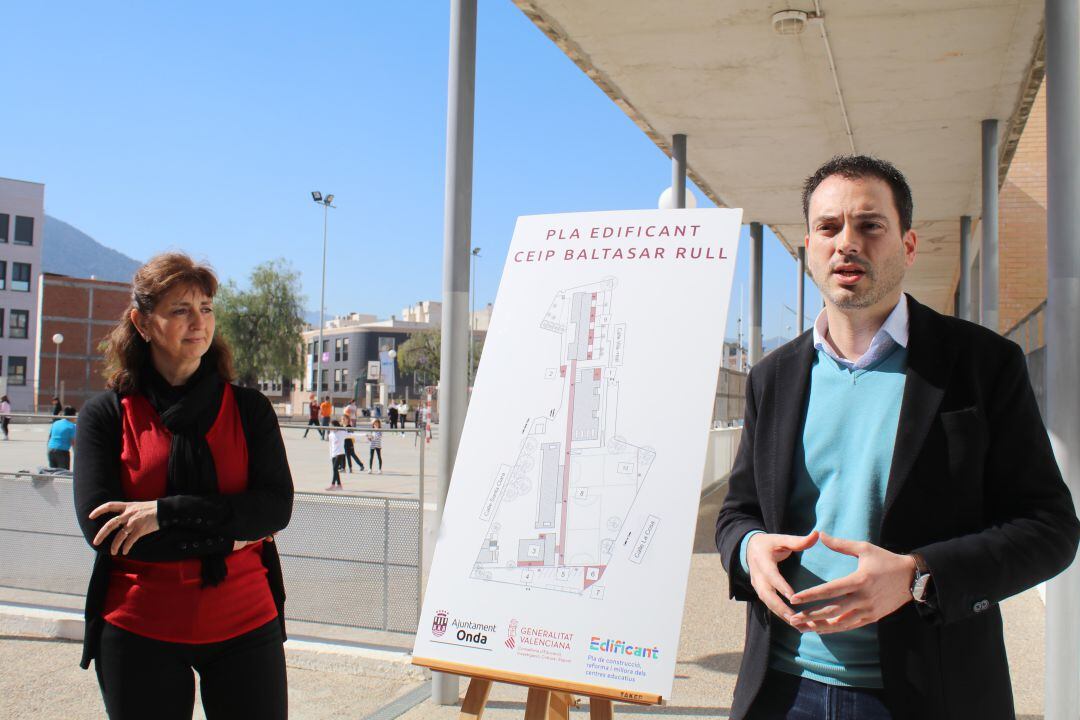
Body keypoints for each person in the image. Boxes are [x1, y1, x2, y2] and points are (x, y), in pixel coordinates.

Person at [715, 155, 1080, 720]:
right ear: (809, 247)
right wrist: (747, 549)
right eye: (829, 227)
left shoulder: (984, 364)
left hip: (928, 691)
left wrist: (919, 575)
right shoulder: (773, 377)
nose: (846, 243)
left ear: (908, 245)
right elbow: (737, 511)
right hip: (781, 689)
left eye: (870, 225)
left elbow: (1050, 529)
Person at [73, 252, 293, 720]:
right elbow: (107, 532)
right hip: (138, 628)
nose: (199, 322)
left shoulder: (250, 410)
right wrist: (232, 530)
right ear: (143, 322)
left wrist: (164, 513)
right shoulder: (106, 416)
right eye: (180, 309)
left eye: (206, 308)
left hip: (247, 623)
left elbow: (274, 510)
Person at [326, 420, 346, 490]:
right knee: (335, 470)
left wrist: (365, 435)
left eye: (331, 426)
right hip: (333, 454)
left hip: (340, 453)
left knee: (335, 468)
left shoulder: (342, 432)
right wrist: (331, 455)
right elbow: (330, 446)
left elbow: (352, 435)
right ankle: (339, 485)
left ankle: (333, 484)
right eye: (330, 426)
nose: (330, 427)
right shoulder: (331, 434)